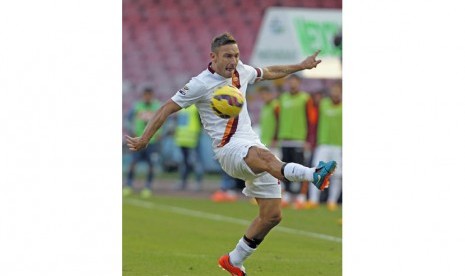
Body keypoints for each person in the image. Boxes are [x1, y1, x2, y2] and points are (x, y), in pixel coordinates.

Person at [126, 33, 337, 276]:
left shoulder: (241, 72)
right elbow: (166, 108)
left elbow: (268, 71)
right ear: (213, 57)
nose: (233, 61)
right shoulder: (199, 84)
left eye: (236, 55)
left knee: (271, 215)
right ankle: (314, 174)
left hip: (250, 143)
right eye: (228, 56)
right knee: (266, 158)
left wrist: (300, 66)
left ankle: (233, 260)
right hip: (228, 150)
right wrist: (145, 138)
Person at [276, 75, 315, 209]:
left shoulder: (305, 98)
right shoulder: (282, 98)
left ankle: (301, 196)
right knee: (284, 169)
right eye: (290, 82)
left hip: (299, 140)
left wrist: (308, 139)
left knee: (302, 168)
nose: (293, 84)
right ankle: (286, 195)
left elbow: (311, 120)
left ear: (299, 83)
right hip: (285, 139)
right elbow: (278, 119)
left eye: (295, 82)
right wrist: (276, 137)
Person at [308, 81, 343, 211]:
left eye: (338, 90)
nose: (335, 93)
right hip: (322, 143)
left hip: (339, 145)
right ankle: (313, 200)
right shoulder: (323, 104)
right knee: (317, 171)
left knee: (337, 174)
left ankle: (332, 201)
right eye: (333, 90)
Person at [123, 87, 162, 198]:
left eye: (149, 95)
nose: (147, 97)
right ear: (143, 95)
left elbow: (165, 120)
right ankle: (128, 185)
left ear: (152, 95)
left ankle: (148, 187)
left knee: (151, 164)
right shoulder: (137, 106)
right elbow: (127, 119)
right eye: (145, 95)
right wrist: (132, 130)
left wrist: (160, 133)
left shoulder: (157, 106)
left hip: (152, 141)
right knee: (133, 163)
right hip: (138, 140)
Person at [174, 104, 204, 191]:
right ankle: (183, 182)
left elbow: (201, 122)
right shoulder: (182, 107)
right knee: (184, 162)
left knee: (195, 162)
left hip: (193, 139)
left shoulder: (195, 108)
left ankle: (197, 182)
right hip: (182, 139)